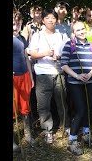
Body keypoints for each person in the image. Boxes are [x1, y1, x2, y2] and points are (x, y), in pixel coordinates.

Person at [29, 8, 70, 144]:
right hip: (42, 74)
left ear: (56, 20)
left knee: (62, 101)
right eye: (47, 18)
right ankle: (47, 130)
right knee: (43, 105)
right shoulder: (37, 35)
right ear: (43, 20)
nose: (51, 20)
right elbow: (33, 54)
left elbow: (68, 53)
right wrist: (45, 53)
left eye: (53, 17)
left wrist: (59, 56)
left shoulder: (61, 35)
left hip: (59, 73)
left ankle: (66, 127)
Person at [61, 21, 92, 155]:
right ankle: (72, 139)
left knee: (89, 107)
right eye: (78, 30)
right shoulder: (69, 45)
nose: (81, 32)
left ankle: (86, 132)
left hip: (90, 81)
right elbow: (64, 64)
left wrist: (89, 74)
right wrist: (77, 76)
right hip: (75, 83)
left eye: (83, 29)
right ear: (74, 32)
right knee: (81, 109)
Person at [13, 9, 37, 152]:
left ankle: (28, 136)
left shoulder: (22, 38)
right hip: (13, 78)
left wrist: (31, 76)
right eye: (12, 24)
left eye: (17, 23)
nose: (15, 27)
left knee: (25, 107)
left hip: (24, 76)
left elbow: (26, 57)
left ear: (21, 22)